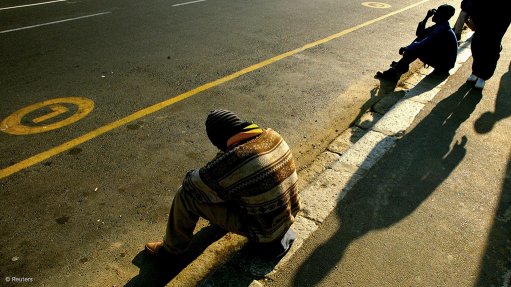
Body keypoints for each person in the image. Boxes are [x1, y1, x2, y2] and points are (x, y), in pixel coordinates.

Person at [145, 109, 301, 261]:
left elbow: (191, 184)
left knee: (185, 196)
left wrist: (219, 161)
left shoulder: (233, 159)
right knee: (235, 185)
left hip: (266, 234)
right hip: (287, 217)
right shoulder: (272, 135)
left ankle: (171, 250)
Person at [376, 4, 458, 82]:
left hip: (443, 65)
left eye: (437, 13)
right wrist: (426, 17)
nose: (434, 14)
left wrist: (406, 48)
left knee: (416, 49)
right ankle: (400, 66)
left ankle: (396, 72)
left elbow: (422, 44)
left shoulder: (442, 30)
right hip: (442, 60)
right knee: (418, 41)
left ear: (443, 16)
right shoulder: (441, 25)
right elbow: (420, 33)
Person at [466, 0, 511, 89]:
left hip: (500, 16)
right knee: (478, 44)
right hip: (484, 13)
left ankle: (482, 76)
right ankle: (476, 72)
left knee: (491, 46)